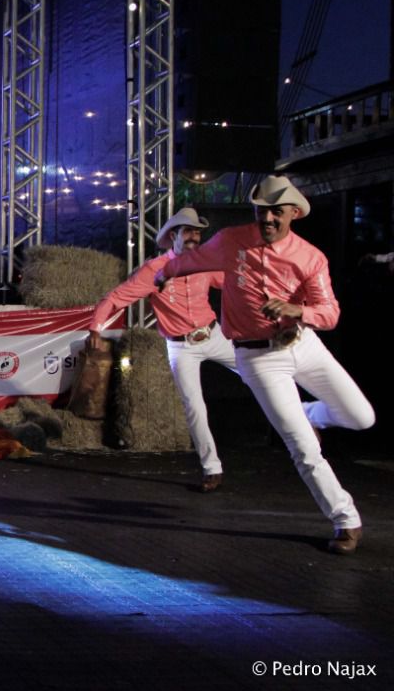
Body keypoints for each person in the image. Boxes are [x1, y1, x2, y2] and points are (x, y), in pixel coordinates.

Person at [156, 176, 375, 554]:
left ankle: (309, 413)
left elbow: (330, 313)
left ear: (293, 213)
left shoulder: (309, 257)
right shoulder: (230, 241)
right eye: (262, 210)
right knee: (303, 448)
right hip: (257, 356)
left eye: (276, 211)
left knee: (361, 418)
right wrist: (162, 273)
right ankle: (345, 519)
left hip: (304, 344)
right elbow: (189, 260)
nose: (269, 218)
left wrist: (298, 310)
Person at [89, 207, 238, 492]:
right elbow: (116, 298)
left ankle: (303, 417)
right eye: (189, 232)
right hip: (181, 347)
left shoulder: (205, 263)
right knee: (193, 406)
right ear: (174, 236)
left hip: (213, 334)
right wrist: (95, 328)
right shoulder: (154, 270)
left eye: (198, 232)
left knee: (258, 371)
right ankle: (211, 468)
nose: (195, 237)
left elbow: (234, 282)